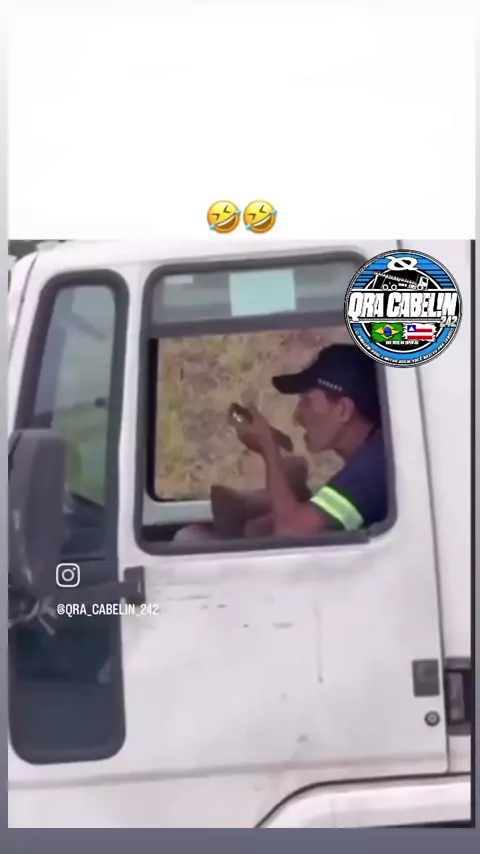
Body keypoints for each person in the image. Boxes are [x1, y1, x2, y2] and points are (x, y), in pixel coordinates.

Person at [173, 343, 387, 542]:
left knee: (188, 538)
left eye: (307, 402)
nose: (297, 416)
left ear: (343, 410)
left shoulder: (372, 466)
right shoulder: (374, 456)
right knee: (256, 528)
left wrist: (269, 449)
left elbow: (291, 531)